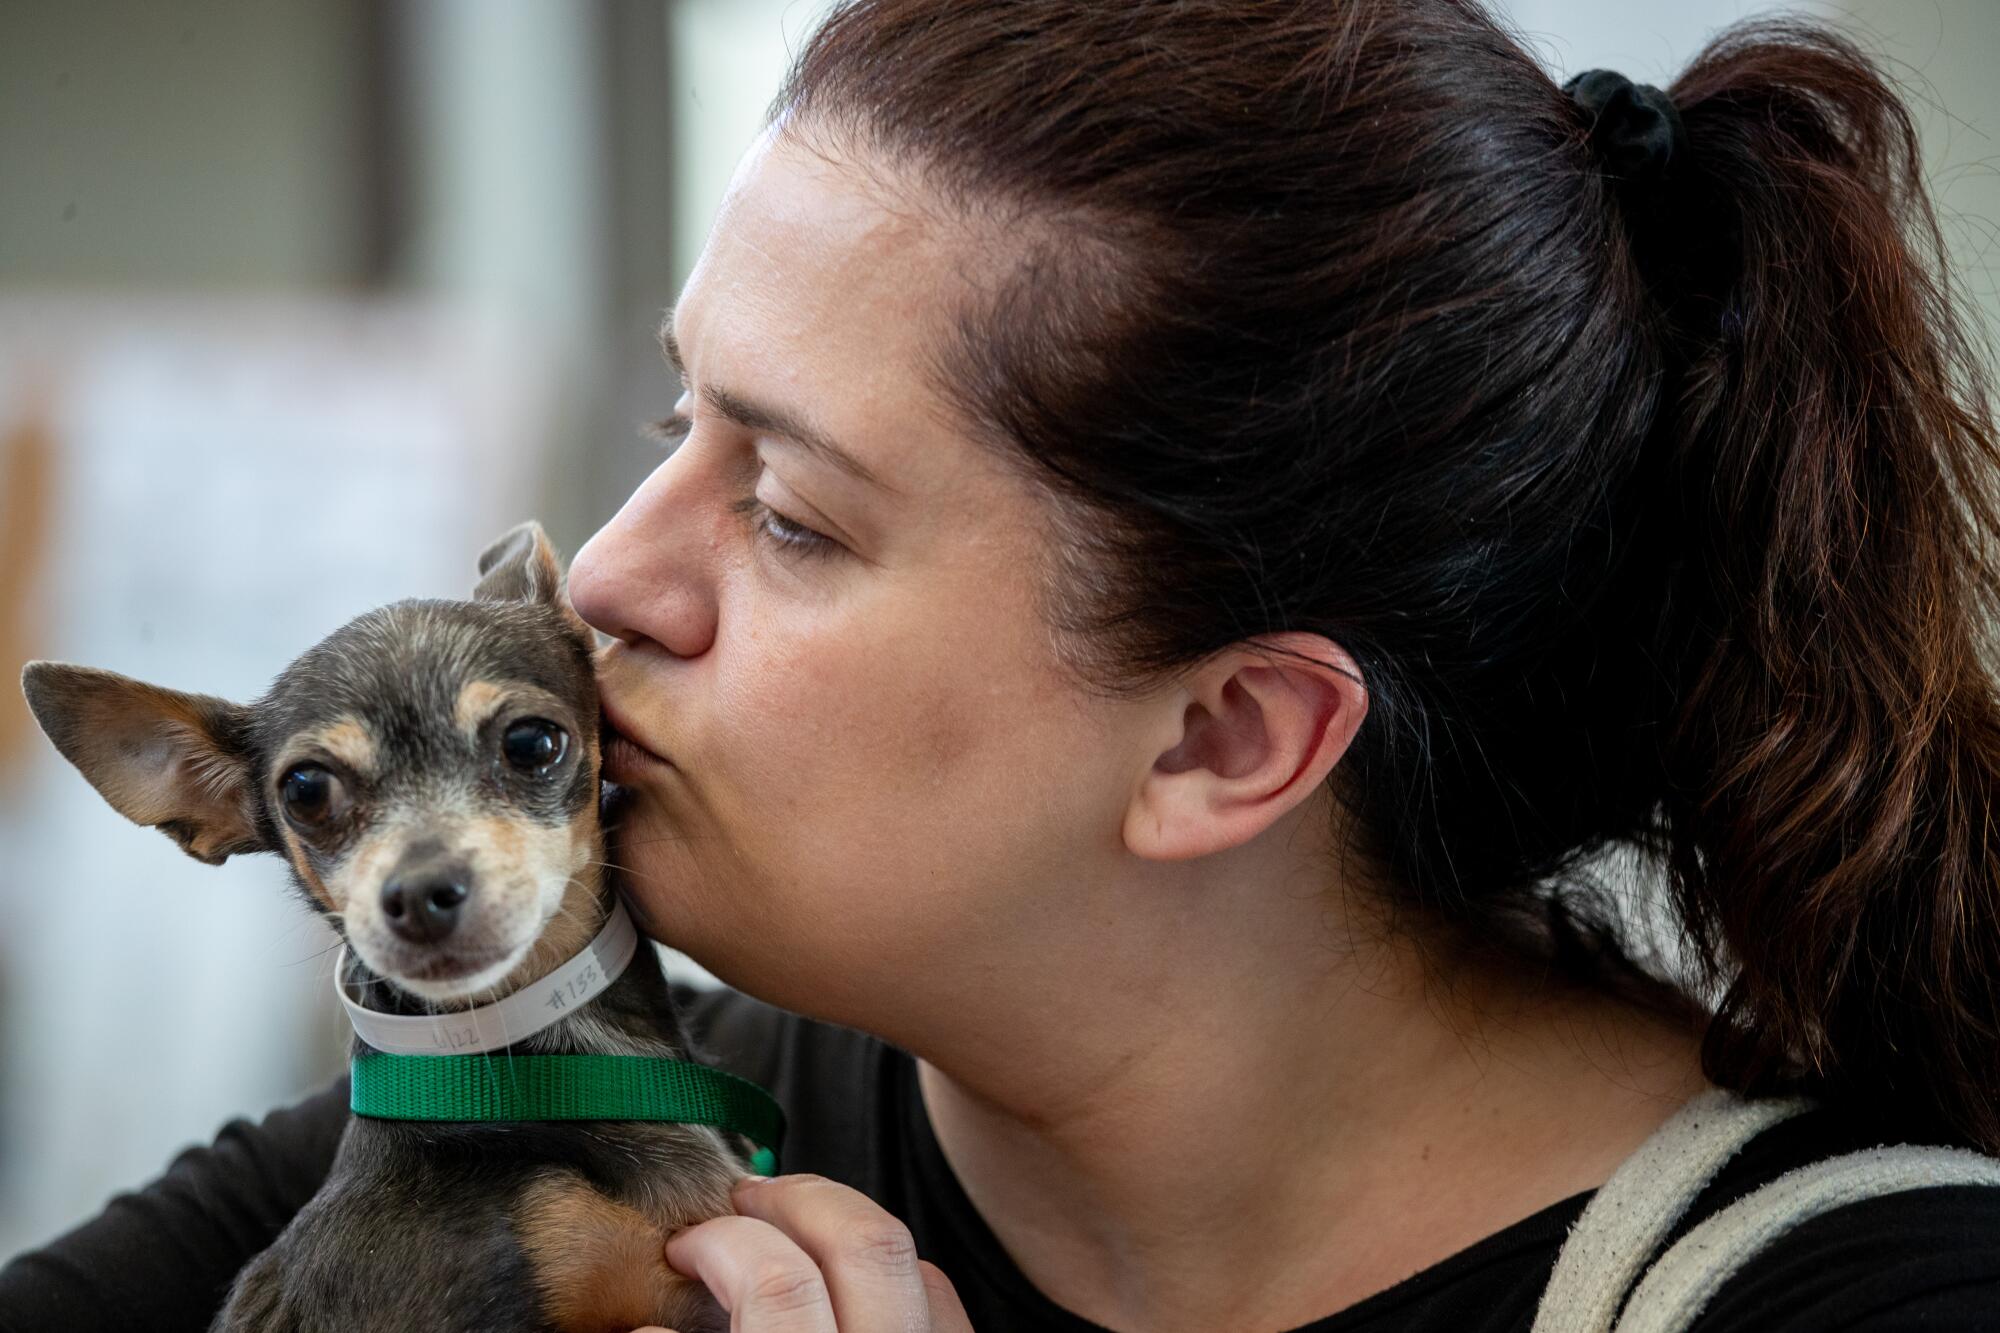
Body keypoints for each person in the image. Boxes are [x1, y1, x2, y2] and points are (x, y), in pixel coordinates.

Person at [7, 1, 2000, 1329]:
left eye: (785, 513)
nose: (603, 575)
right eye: (668, 418)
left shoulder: (1859, 1300)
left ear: (1223, 736)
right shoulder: (525, 1147)